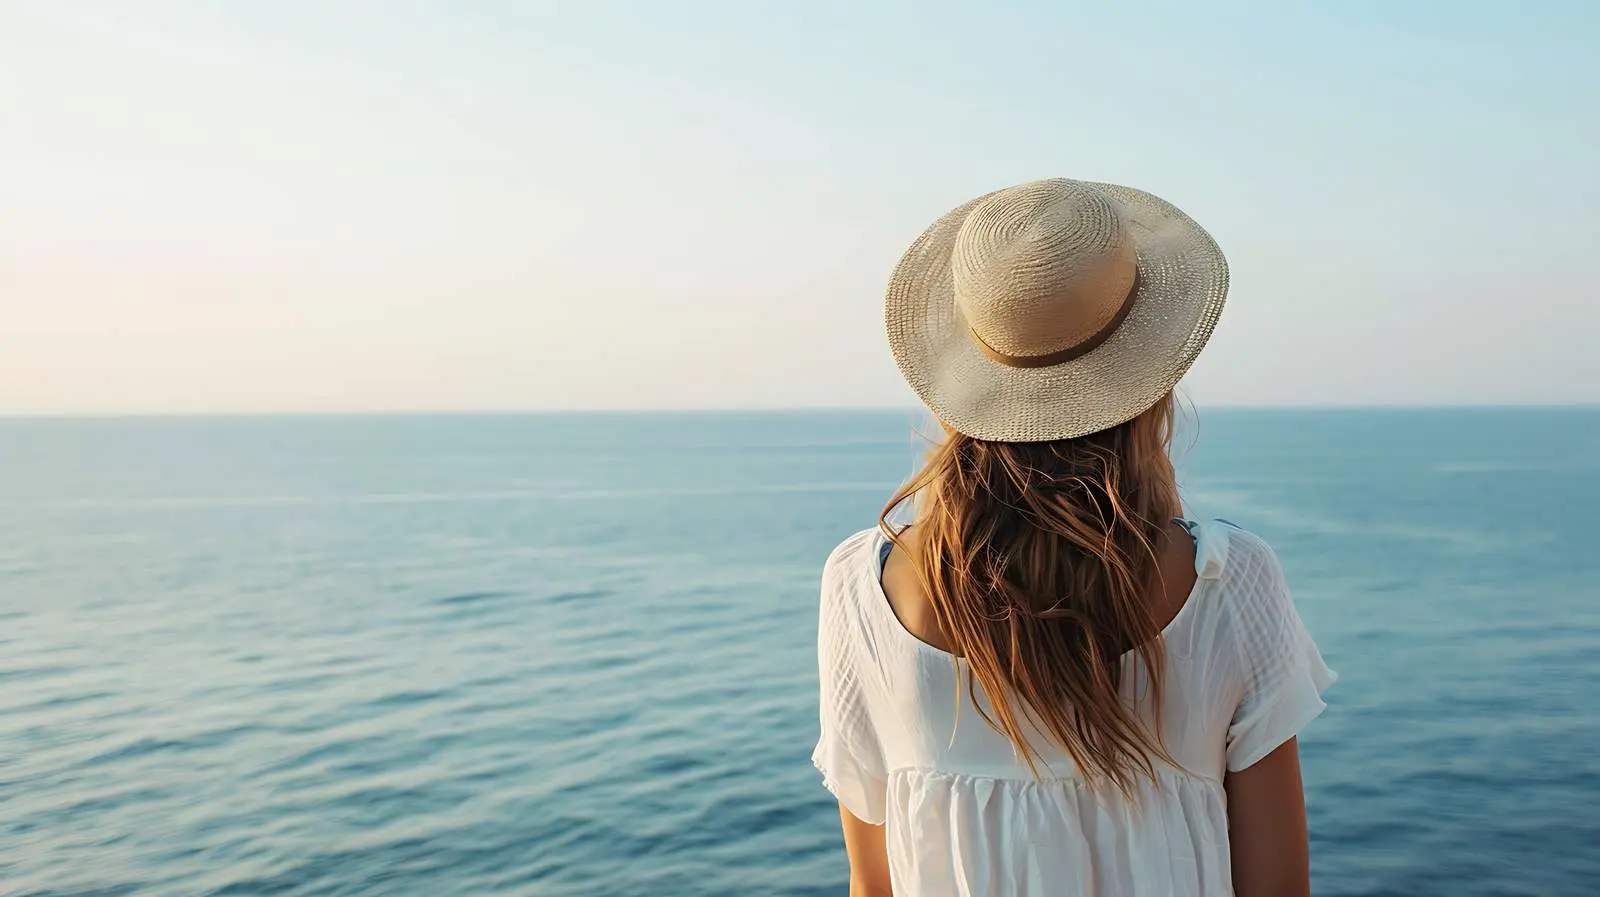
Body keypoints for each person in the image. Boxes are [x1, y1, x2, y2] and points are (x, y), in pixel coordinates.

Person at [812, 179, 1336, 896]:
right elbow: (1278, 886)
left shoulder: (863, 589)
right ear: (1151, 381)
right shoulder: (1225, 583)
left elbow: (872, 883)